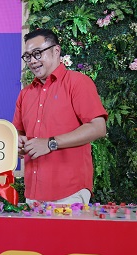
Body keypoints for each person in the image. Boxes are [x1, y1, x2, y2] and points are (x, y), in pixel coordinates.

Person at [13, 28, 108, 204]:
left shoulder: (78, 83)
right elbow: (18, 132)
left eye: (37, 53)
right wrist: (18, 143)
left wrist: (50, 143)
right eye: (28, 56)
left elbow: (98, 127)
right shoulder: (25, 94)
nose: (32, 61)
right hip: (33, 192)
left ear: (56, 51)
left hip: (69, 191)